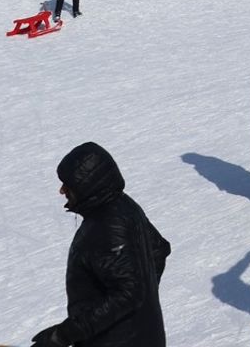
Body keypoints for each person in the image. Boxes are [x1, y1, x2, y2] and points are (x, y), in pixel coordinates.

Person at [30, 142, 170, 347]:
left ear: (86, 183)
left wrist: (64, 335)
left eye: (67, 184)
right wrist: (142, 304)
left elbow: (128, 291)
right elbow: (159, 249)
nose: (62, 190)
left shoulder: (107, 224)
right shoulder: (123, 205)